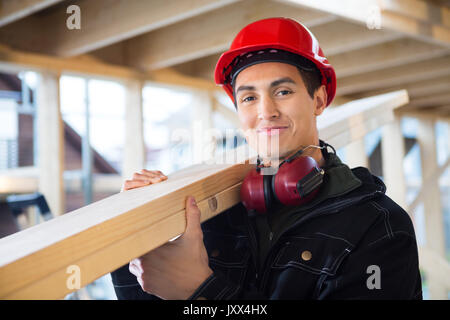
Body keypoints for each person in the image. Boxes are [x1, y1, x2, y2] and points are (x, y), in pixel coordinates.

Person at [110, 17, 422, 300]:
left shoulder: (379, 227)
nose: (265, 111)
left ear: (319, 99)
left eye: (283, 91)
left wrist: (203, 290)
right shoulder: (215, 213)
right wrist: (132, 233)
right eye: (249, 98)